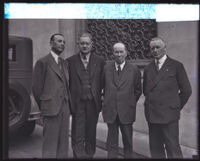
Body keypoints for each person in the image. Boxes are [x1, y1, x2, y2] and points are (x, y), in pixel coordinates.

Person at [143, 37, 192, 158]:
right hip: (152, 115)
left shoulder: (176, 66)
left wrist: (174, 106)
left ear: (165, 48)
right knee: (156, 149)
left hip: (169, 116)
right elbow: (146, 91)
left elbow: (186, 90)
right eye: (152, 48)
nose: (155, 50)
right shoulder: (148, 68)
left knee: (173, 149)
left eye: (158, 47)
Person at [32, 33, 72, 158]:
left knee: (63, 144)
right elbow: (36, 88)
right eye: (59, 41)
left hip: (64, 109)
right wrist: (45, 105)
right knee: (50, 144)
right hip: (50, 109)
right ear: (51, 43)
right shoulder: (42, 62)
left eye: (64, 42)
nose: (62, 44)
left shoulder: (65, 63)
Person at [67, 32, 105, 158]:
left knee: (91, 131)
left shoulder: (99, 61)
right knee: (77, 131)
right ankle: (78, 155)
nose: (84, 46)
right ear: (78, 45)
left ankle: (89, 155)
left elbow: (103, 81)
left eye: (87, 43)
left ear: (92, 45)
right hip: (78, 102)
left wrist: (102, 97)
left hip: (93, 103)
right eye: (82, 43)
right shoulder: (70, 61)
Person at [102, 42, 142, 158]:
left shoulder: (134, 69)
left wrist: (130, 102)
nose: (119, 54)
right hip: (111, 111)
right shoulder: (106, 69)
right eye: (116, 52)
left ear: (126, 53)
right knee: (111, 143)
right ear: (112, 54)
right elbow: (102, 87)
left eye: (121, 52)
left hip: (127, 111)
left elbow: (138, 90)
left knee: (128, 142)